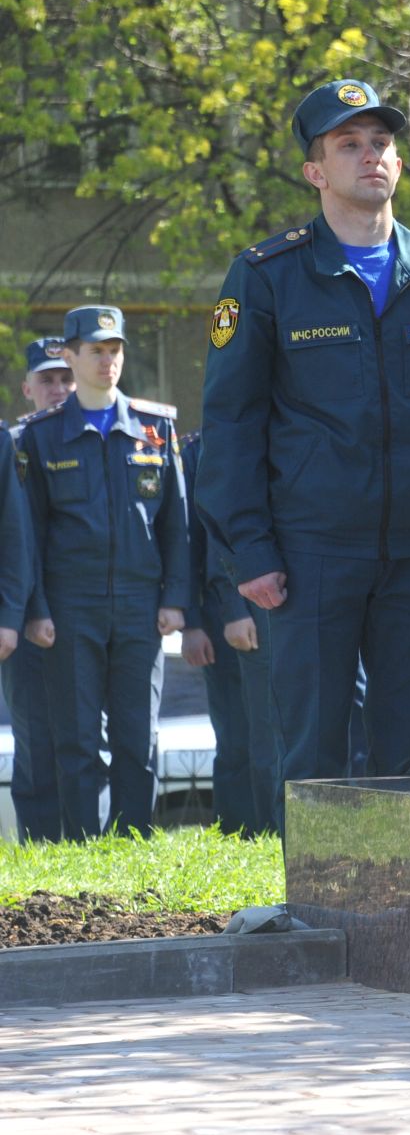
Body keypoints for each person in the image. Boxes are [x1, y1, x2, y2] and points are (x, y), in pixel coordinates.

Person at [196, 79, 410, 832]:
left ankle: (400, 922)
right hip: (310, 552)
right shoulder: (268, 275)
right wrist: (251, 551)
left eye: (382, 143)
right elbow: (231, 423)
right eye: (349, 144)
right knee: (312, 754)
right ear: (315, 171)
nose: (371, 157)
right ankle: (318, 914)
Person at [19, 306, 189, 838]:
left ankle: (134, 845)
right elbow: (30, 536)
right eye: (95, 350)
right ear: (70, 355)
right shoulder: (41, 438)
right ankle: (85, 850)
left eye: (114, 350)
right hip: (72, 607)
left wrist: (175, 598)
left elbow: (176, 523)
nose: (107, 360)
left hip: (140, 606)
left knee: (138, 737)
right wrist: (38, 610)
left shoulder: (154, 427)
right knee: (76, 739)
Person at [180, 430, 268, 835]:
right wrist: (199, 621)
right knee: (238, 738)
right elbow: (201, 540)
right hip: (230, 611)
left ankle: (280, 831)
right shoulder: (206, 447)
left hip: (284, 604)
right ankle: (242, 833)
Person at [4, 337, 72, 841]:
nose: (58, 389)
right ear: (27, 388)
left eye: (66, 378)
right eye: (47, 380)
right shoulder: (17, 443)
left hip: (84, 607)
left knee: (87, 735)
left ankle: (89, 838)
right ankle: (42, 841)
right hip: (27, 606)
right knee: (35, 734)